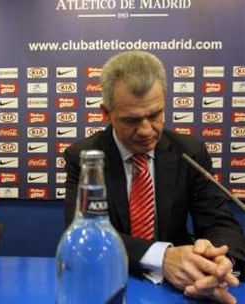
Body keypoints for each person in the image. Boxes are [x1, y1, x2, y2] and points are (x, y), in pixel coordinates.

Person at [63, 51, 245, 303]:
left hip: (183, 289)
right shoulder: (83, 157)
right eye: (132, 120)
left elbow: (219, 223)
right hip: (115, 284)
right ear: (106, 112)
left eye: (155, 115)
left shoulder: (189, 151)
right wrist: (163, 257)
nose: (147, 130)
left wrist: (221, 262)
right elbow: (86, 234)